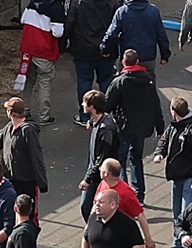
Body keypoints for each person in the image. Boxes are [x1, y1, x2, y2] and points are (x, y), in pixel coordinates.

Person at [105, 49, 164, 204]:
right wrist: (160, 127)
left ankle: (123, 194)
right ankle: (139, 195)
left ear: (123, 62)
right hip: (142, 127)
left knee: (120, 161)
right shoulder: (149, 81)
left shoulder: (119, 81)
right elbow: (155, 105)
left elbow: (108, 104)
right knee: (136, 159)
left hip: (123, 127)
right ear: (137, 62)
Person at [65, 0, 122, 126]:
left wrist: (64, 43)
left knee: (84, 82)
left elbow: (70, 23)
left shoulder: (79, 1)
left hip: (83, 48)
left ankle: (85, 116)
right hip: (106, 49)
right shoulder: (113, 1)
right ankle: (104, 114)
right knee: (106, 81)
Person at [0, 97, 48, 212]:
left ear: (10, 112)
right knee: (10, 211)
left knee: (26, 212)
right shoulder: (9, 128)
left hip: (26, 181)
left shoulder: (28, 131)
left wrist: (42, 182)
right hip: (10, 179)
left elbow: (36, 156)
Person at [154, 97, 192, 244]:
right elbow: (164, 140)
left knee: (185, 214)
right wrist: (160, 153)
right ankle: (177, 242)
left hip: (189, 177)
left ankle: (186, 243)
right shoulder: (175, 125)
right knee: (177, 214)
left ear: (174, 111)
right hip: (177, 176)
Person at [17, 0, 66, 125]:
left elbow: (22, 20)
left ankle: (24, 111)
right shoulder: (57, 7)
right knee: (44, 82)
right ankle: (44, 116)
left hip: (28, 50)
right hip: (44, 52)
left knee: (28, 81)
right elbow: (58, 33)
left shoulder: (33, 3)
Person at [100, 0, 171, 77]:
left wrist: (105, 49)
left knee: (125, 84)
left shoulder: (122, 12)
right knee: (148, 84)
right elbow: (161, 35)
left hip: (128, 57)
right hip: (147, 56)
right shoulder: (153, 11)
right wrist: (165, 55)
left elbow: (112, 33)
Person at [78, 90, 120, 222]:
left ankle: (96, 231)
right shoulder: (101, 121)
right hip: (98, 174)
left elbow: (102, 157)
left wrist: (88, 179)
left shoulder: (105, 129)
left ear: (92, 106)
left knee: (87, 206)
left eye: (85, 102)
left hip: (100, 176)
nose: (82, 104)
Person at [95, 159, 155, 248]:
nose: (99, 169)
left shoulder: (126, 193)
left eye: (101, 168)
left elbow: (140, 214)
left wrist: (148, 240)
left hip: (121, 235)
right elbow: (94, 207)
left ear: (106, 173)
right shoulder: (103, 184)